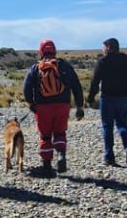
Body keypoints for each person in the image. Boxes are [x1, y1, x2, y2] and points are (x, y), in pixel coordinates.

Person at [23, 38, 84, 175]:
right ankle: (61, 155)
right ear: (54, 51)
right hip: (63, 105)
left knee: (45, 136)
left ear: (41, 52)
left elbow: (26, 88)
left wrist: (31, 103)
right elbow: (76, 86)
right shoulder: (65, 66)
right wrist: (79, 105)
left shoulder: (35, 68)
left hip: (43, 107)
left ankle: (47, 166)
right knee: (60, 133)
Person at [87, 37, 127, 166]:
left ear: (108, 47)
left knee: (107, 126)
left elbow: (95, 81)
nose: (103, 49)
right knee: (122, 124)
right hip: (123, 98)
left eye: (104, 47)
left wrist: (90, 98)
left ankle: (109, 157)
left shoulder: (103, 61)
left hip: (107, 98)